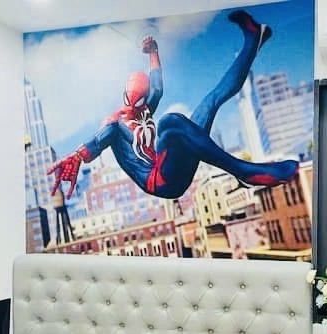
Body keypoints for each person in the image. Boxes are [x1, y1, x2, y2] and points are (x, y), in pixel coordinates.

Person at [46, 10, 299, 200]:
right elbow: (103, 136)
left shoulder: (144, 110)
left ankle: (253, 41)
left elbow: (157, 88)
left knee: (210, 101)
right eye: (131, 103)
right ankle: (244, 171)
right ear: (124, 98)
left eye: (140, 104)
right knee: (170, 122)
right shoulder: (114, 124)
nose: (136, 109)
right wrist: (78, 155)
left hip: (172, 167)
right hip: (160, 182)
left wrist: (153, 53)